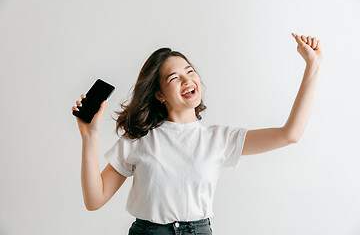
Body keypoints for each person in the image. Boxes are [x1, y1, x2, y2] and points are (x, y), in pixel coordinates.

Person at [72, 33, 323, 235]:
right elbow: (95, 200)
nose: (187, 79)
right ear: (159, 94)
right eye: (174, 78)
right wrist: (89, 138)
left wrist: (312, 66)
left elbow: (290, 134)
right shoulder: (139, 139)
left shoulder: (219, 139)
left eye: (189, 72)